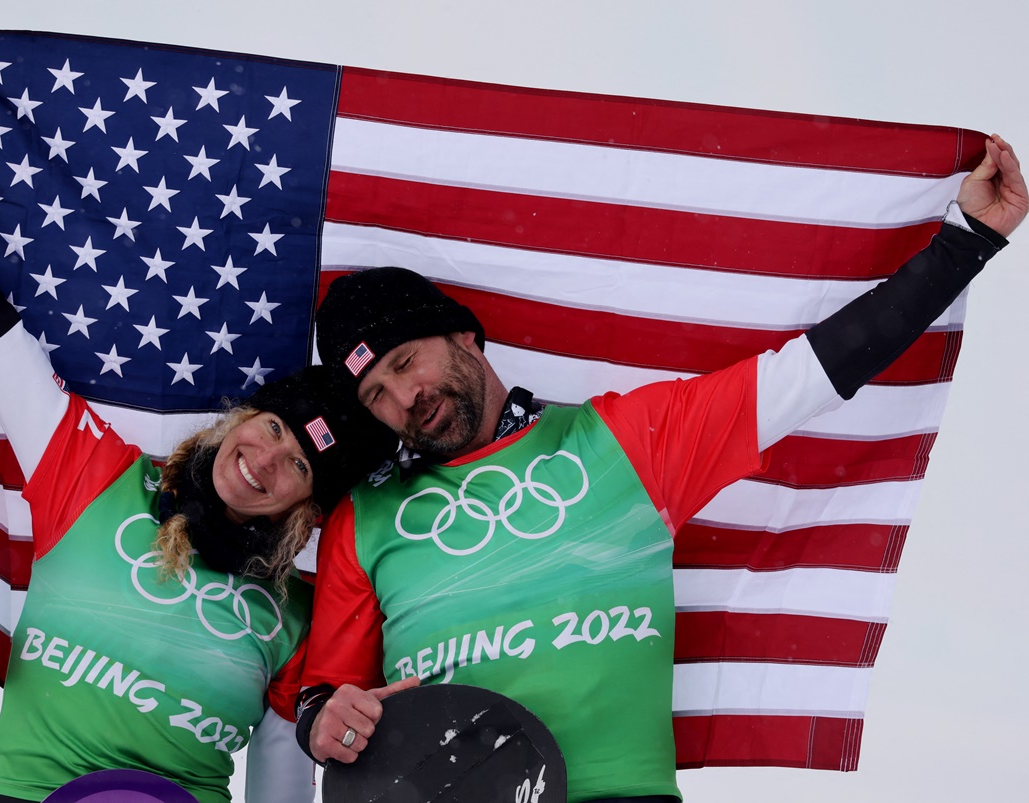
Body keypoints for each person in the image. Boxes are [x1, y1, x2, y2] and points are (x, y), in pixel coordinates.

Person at [293, 123, 1027, 798]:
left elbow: (814, 370)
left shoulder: (628, 439)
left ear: (462, 335)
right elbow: (323, 693)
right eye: (376, 393)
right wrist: (324, 720)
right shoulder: (368, 516)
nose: (403, 397)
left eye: (404, 361)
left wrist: (965, 243)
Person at [0, 29, 393, 803]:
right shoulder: (92, 477)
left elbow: (280, 779)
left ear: (307, 504)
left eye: (299, 464)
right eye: (273, 427)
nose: (267, 459)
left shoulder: (295, 616)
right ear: (241, 417)